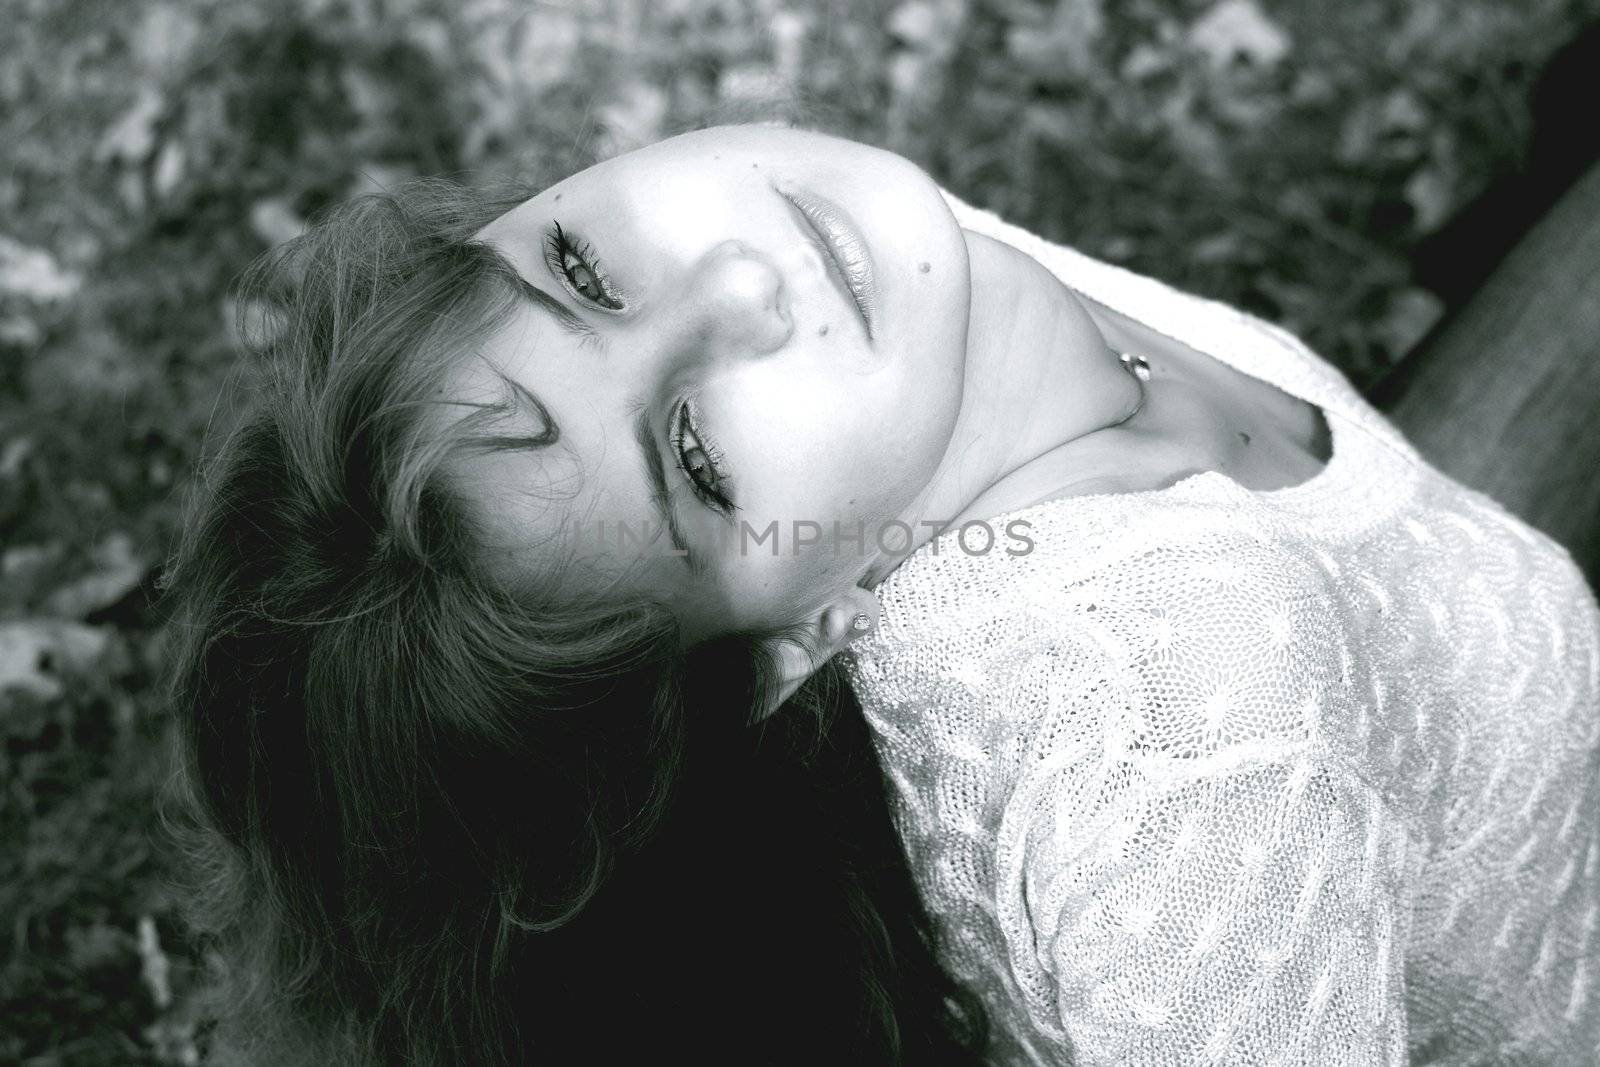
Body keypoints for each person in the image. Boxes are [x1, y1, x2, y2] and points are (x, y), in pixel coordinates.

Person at [161, 124, 1600, 1065]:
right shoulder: (1194, 722)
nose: (740, 278)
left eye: (582, 270)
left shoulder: (899, 293)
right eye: (696, 452)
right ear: (799, 644)